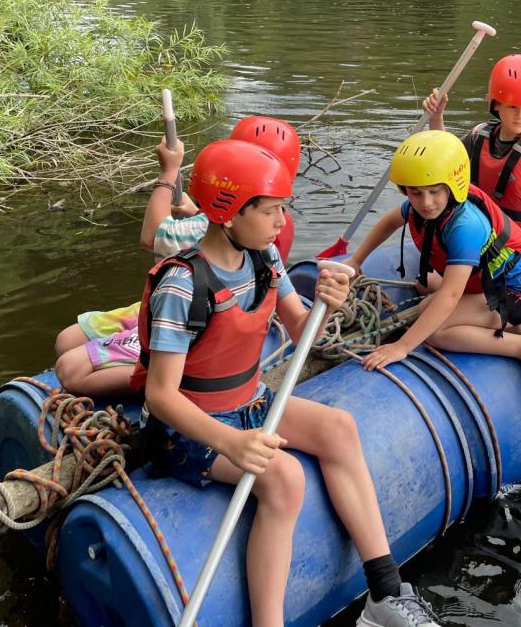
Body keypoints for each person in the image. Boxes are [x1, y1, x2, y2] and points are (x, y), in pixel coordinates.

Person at [136, 139, 438, 627]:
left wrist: (326, 302)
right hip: (188, 430)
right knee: (285, 479)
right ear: (229, 213)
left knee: (339, 427)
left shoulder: (265, 258)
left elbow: (305, 334)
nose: (282, 222)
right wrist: (231, 442)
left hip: (249, 402)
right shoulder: (182, 285)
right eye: (271, 210)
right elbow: (160, 396)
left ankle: (384, 593)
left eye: (283, 208)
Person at [53, 117, 300, 396]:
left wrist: (168, 172)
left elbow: (151, 236)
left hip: (197, 319)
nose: (276, 218)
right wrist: (198, 210)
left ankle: (158, 375)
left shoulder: (235, 228)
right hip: (203, 304)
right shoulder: (273, 223)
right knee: (67, 339)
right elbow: (221, 235)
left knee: (69, 363)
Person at [342, 130, 521, 401]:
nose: (426, 202)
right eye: (415, 192)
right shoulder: (423, 205)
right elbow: (389, 222)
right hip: (495, 283)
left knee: (435, 331)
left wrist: (402, 346)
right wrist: (356, 260)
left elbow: (450, 296)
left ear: (453, 185)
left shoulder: (464, 225)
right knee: (425, 290)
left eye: (435, 192)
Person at [422, 53, 521, 265]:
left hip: (513, 250)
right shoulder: (480, 135)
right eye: (512, 107)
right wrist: (436, 116)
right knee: (426, 282)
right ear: (495, 104)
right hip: (474, 238)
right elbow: (446, 157)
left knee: (436, 287)